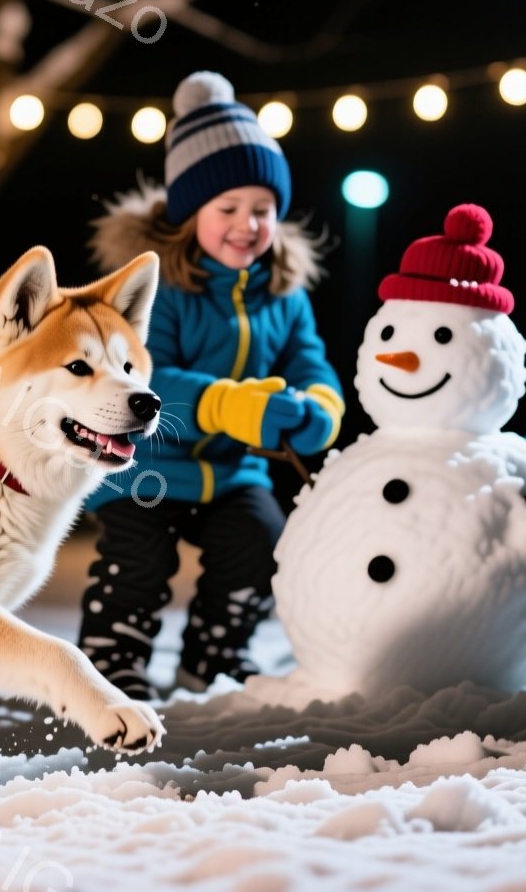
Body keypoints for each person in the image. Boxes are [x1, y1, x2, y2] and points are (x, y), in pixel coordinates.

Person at [76, 70, 343, 699]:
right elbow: (142, 376)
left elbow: (311, 363)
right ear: (188, 212)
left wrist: (319, 408)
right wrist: (228, 403)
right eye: (227, 209)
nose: (246, 225)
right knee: (139, 561)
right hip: (143, 464)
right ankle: (112, 664)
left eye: (262, 209)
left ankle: (215, 658)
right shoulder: (157, 288)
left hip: (231, 472)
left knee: (260, 542)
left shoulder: (284, 293)